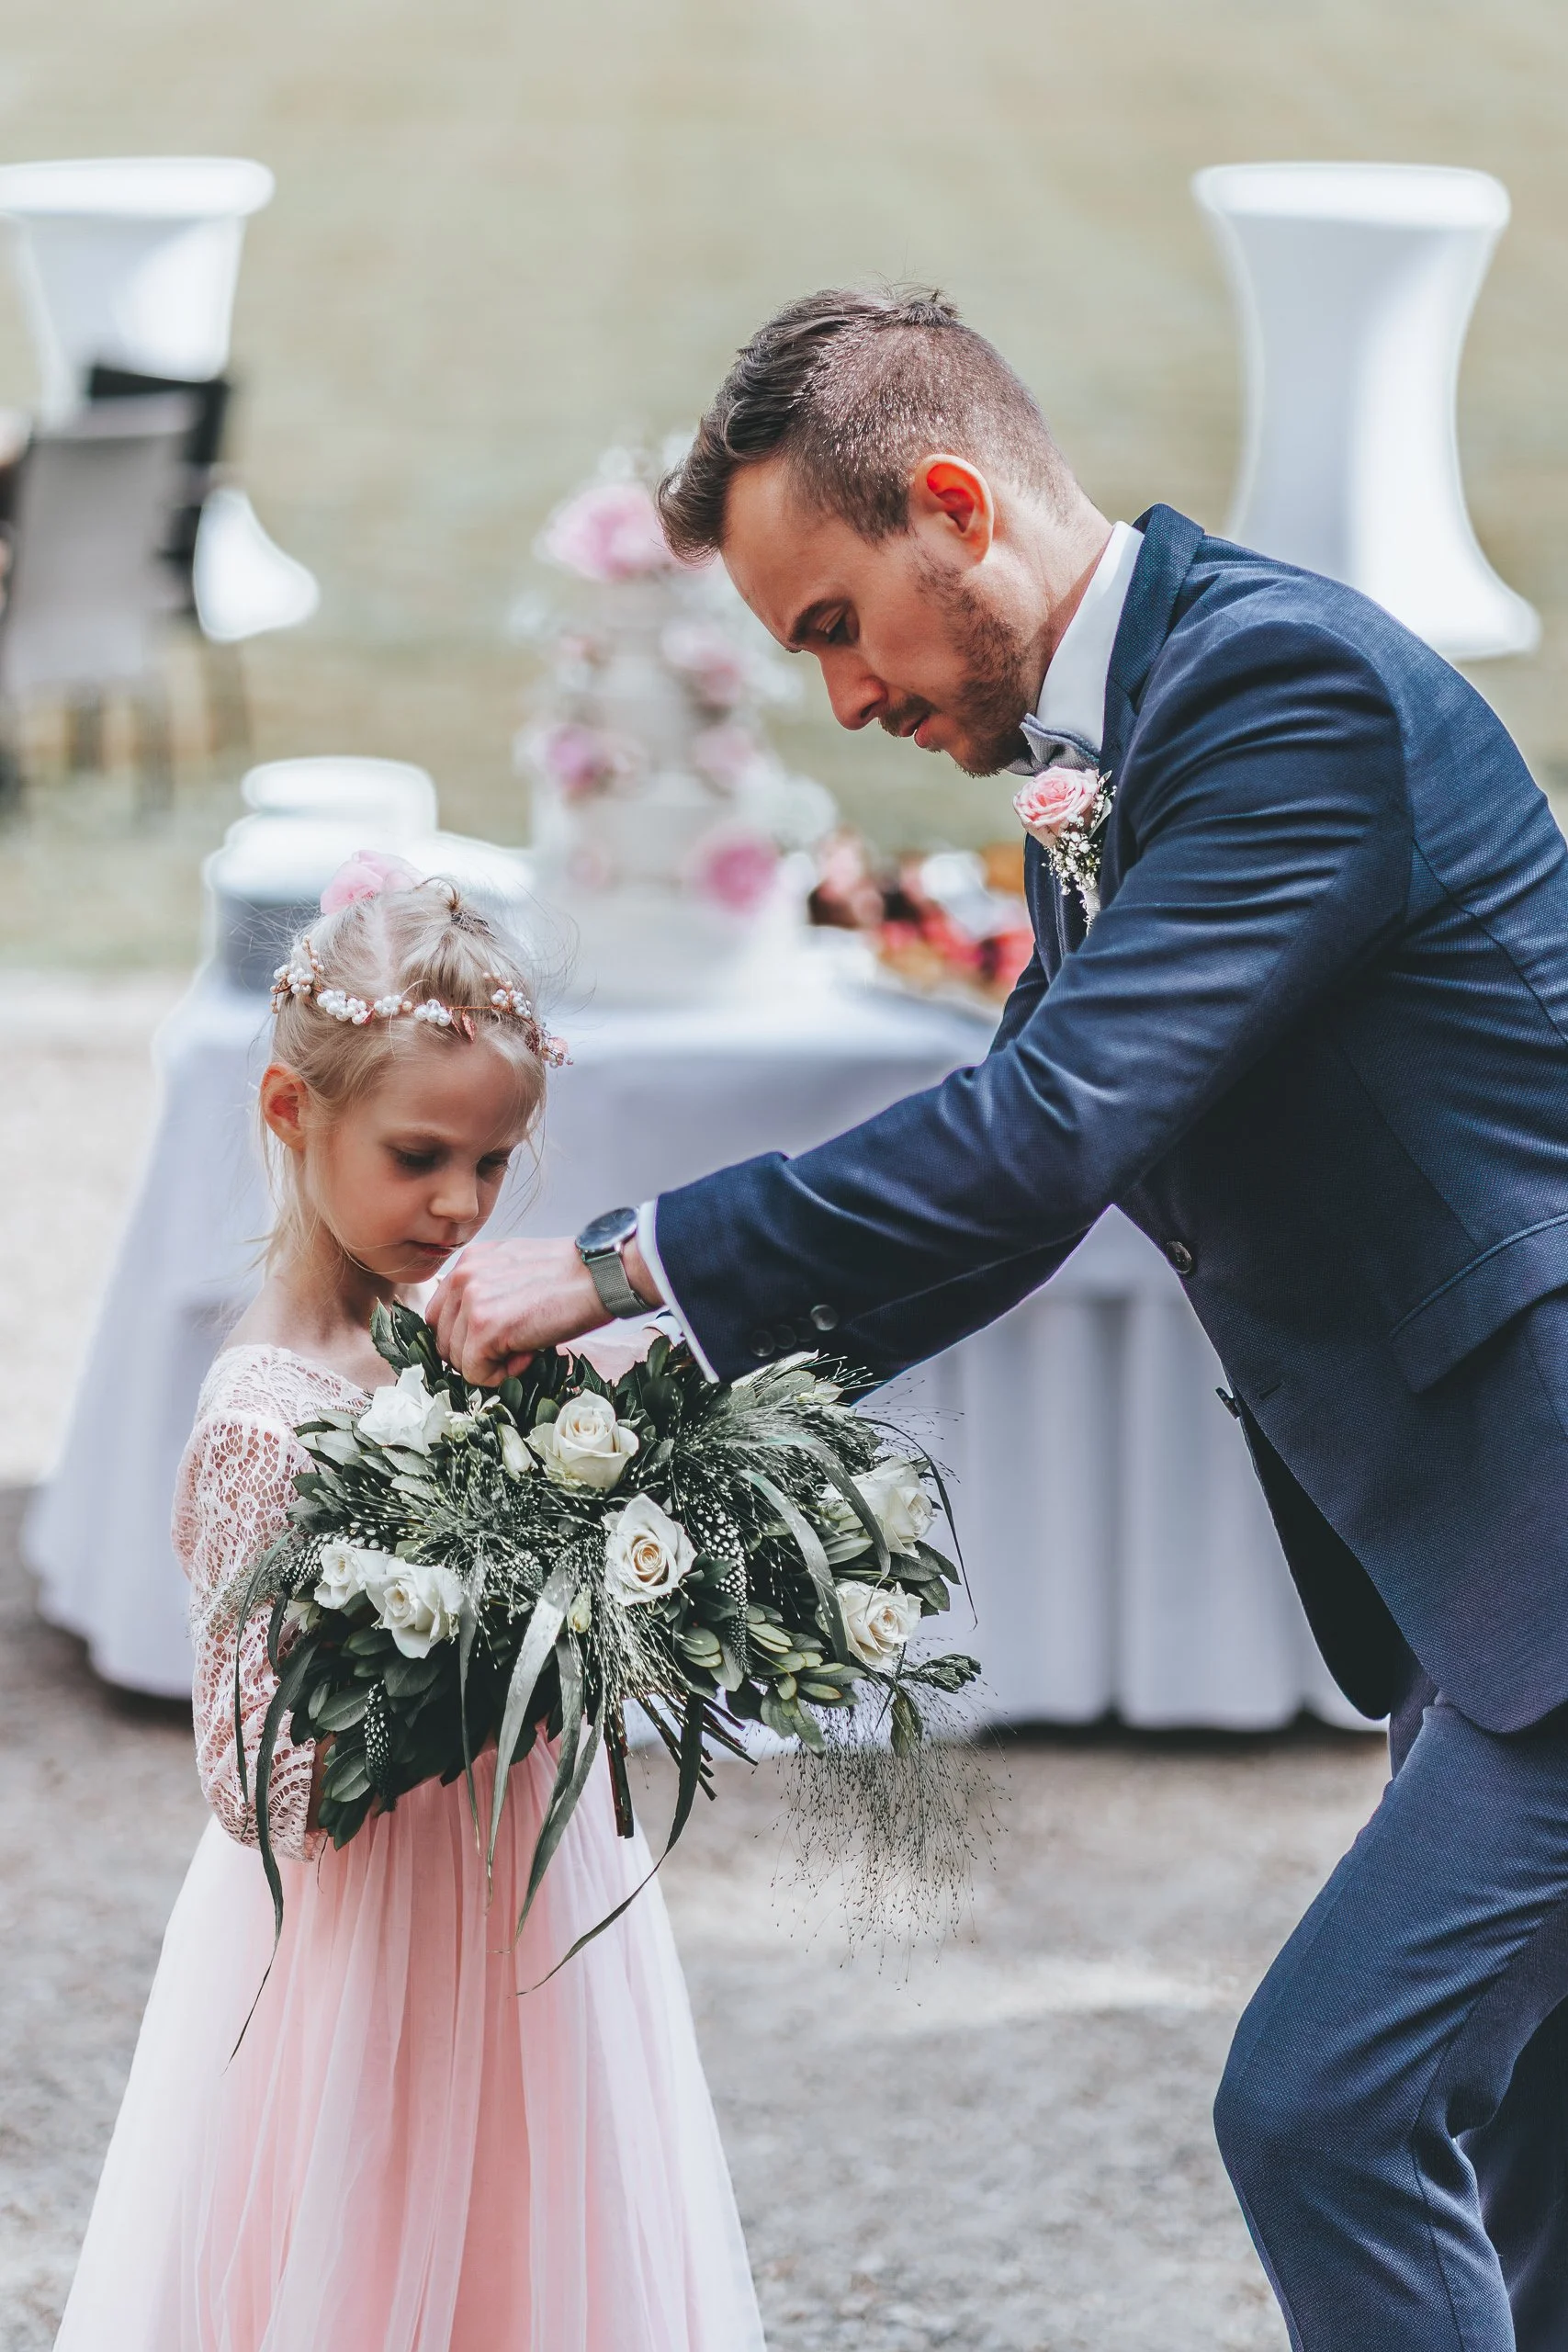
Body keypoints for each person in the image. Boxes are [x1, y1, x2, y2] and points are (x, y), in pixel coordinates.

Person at [432, 287, 1568, 2349]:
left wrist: (618, 1257)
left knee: (1323, 2106)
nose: (840, 697)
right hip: (1486, 1560)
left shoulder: (1281, 691)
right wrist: (666, 1395)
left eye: (834, 624)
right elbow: (1021, 1203)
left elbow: (1043, 1129)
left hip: (1553, 1554)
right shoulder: (1118, 755)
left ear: (951, 504)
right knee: (1526, 2163)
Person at [55, 865, 763, 2352]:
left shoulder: (485, 1336)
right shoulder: (266, 1417)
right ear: (288, 1114)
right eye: (419, 1155)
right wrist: (467, 1636)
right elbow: (252, 1778)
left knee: (539, 2222)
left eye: (496, 1164)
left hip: (532, 1883)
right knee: (367, 2239)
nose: (460, 1203)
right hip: (366, 1935)